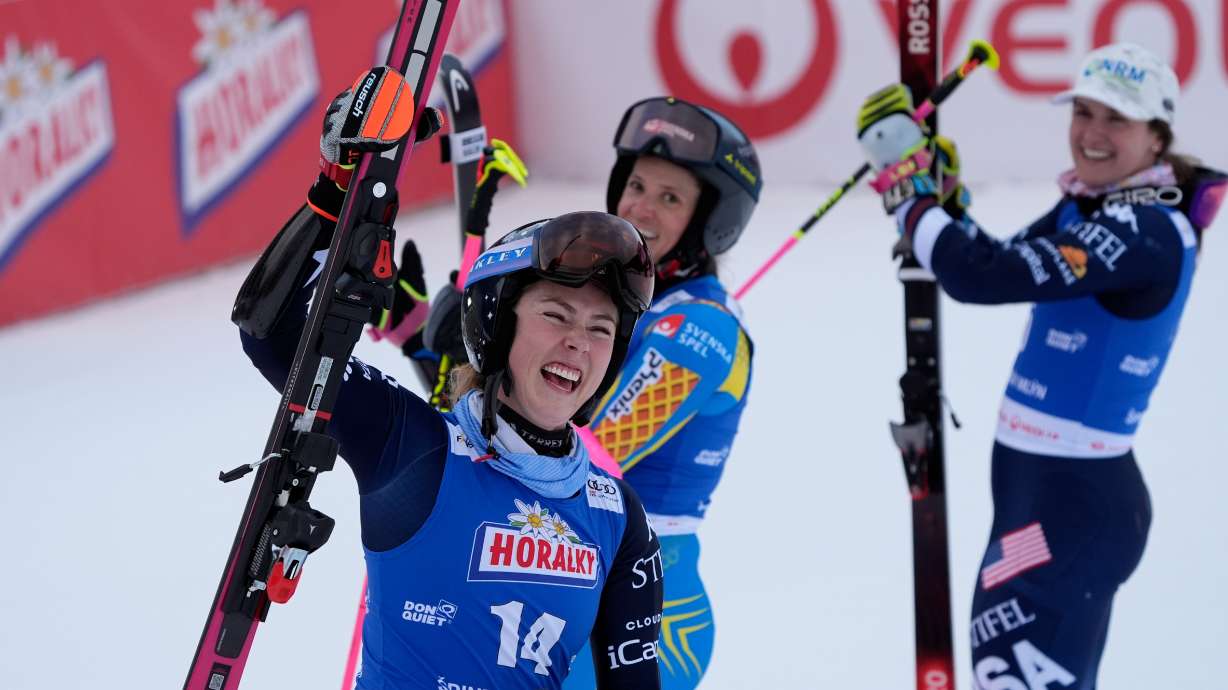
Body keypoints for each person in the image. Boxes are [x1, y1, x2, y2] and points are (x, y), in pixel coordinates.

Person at [234, 67, 664, 689]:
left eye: (602, 328)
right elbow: (272, 337)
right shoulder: (415, 446)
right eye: (554, 314)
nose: (579, 340)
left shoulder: (617, 513)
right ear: (497, 326)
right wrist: (337, 194)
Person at [855, 43, 1226, 688]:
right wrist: (943, 202)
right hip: (1039, 501)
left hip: (1072, 511)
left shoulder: (1146, 230)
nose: (1092, 134)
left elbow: (979, 276)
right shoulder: (1090, 206)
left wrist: (910, 194)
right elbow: (1000, 259)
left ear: (1158, 137)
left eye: (1117, 119)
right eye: (1083, 112)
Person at [557, 97, 761, 689]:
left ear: (706, 223)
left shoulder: (700, 330)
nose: (640, 208)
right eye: (637, 184)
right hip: (571, 584)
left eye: (670, 198)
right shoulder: (615, 306)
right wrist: (431, 338)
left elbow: (587, 450)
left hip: (647, 618)